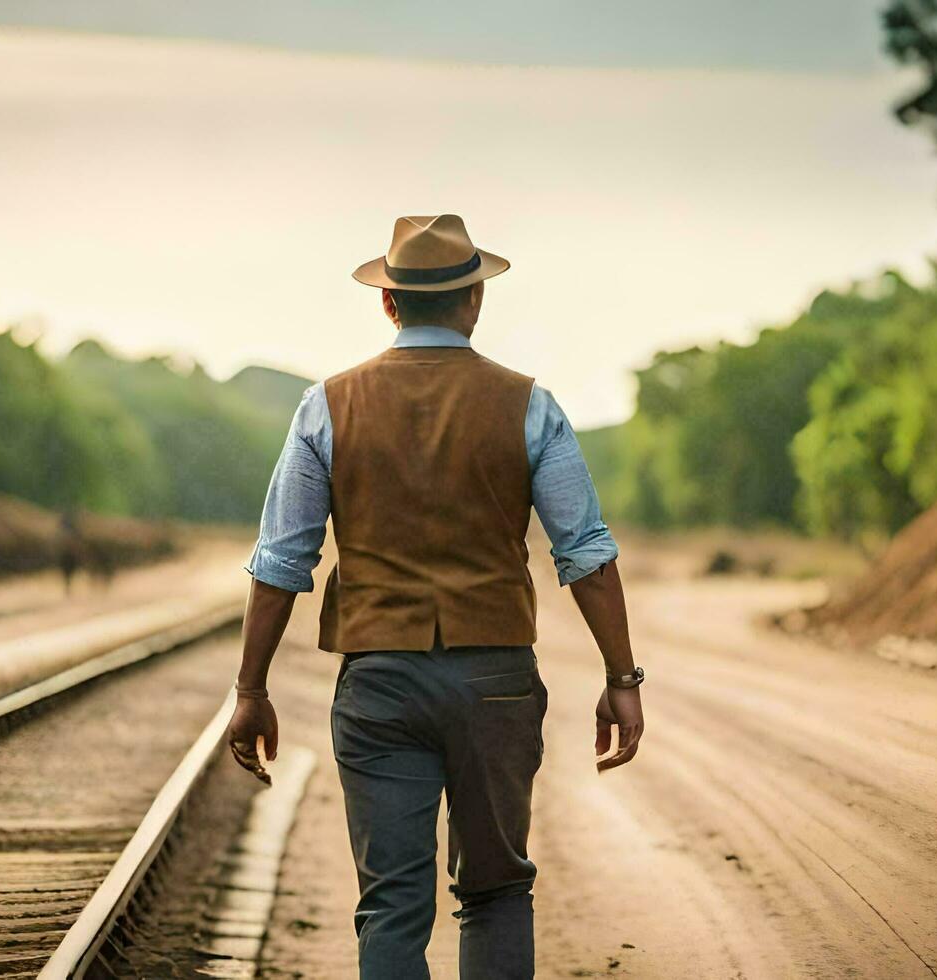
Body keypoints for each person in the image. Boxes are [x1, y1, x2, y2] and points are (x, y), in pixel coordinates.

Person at [227, 214, 645, 980]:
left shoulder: (326, 407)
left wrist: (251, 688)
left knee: (391, 904)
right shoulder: (529, 406)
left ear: (388, 304)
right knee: (495, 892)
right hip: (495, 682)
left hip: (379, 680)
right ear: (475, 299)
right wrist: (622, 678)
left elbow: (282, 562)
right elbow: (585, 553)